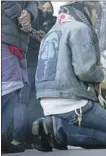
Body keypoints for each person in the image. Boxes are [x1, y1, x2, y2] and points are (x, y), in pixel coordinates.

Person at [32, 2, 106, 152]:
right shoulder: (80, 28)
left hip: (46, 102)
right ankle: (59, 131)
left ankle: (47, 127)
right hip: (72, 102)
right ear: (86, 11)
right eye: (96, 13)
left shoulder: (51, 32)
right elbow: (84, 71)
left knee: (99, 136)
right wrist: (103, 74)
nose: (96, 18)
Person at [14, 1, 56, 149]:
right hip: (40, 63)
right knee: (35, 101)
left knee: (22, 101)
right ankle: (35, 135)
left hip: (24, 61)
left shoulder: (18, 12)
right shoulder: (38, 15)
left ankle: (19, 137)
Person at [1, 1, 38, 153]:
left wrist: (29, 12)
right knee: (9, 87)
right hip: (4, 38)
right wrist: (21, 16)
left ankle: (2, 136)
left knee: (14, 89)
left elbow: (32, 2)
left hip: (18, 41)